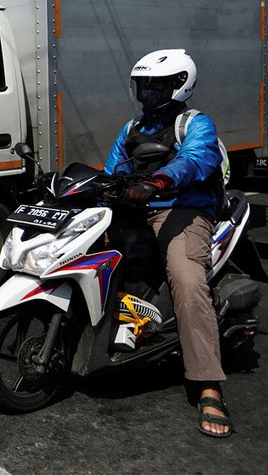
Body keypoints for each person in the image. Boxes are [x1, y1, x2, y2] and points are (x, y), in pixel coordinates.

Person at [104, 48, 231, 438]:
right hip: (135, 209)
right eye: (143, 85)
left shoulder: (195, 123)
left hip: (182, 209)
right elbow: (110, 171)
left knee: (187, 279)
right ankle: (126, 322)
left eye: (156, 85)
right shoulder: (131, 129)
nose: (147, 93)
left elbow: (197, 160)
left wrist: (158, 182)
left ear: (179, 85)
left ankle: (208, 385)